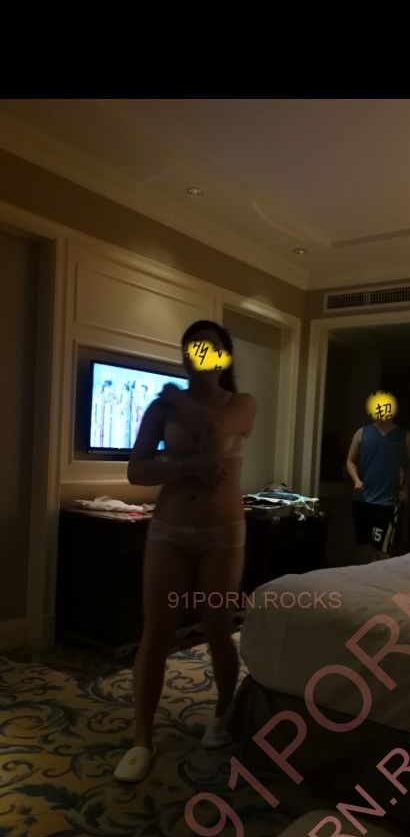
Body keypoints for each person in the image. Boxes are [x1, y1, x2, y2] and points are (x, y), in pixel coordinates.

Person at [114, 320, 256, 783]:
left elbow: (215, 435)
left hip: (223, 534)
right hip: (169, 531)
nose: (201, 356)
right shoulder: (162, 407)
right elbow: (137, 470)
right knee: (156, 630)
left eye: (211, 349)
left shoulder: (241, 404)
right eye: (194, 348)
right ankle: (142, 739)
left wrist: (179, 400)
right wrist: (185, 467)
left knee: (217, 629)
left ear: (225, 357)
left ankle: (222, 713)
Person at [346, 398, 410, 563]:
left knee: (382, 551)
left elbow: (409, 465)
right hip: (362, 500)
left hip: (387, 503)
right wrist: (356, 480)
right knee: (362, 548)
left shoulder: (405, 436)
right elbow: (350, 461)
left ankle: (381, 578)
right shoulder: (361, 433)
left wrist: (406, 489)